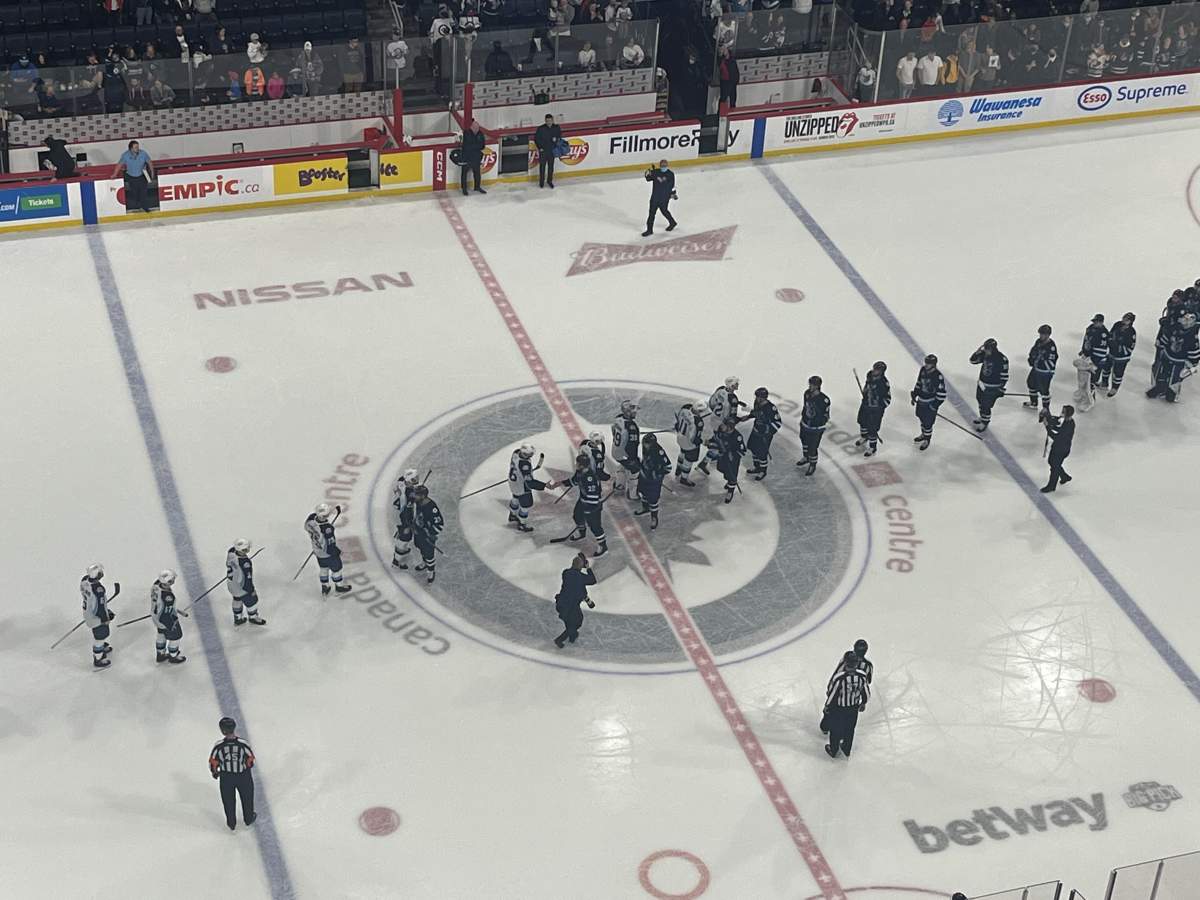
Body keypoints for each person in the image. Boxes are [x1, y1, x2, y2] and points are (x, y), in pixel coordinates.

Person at [553, 454, 609, 557]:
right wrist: (559, 483)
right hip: (583, 501)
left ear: (582, 465)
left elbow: (593, 496)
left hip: (593, 505)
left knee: (595, 526)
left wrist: (589, 510)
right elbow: (574, 481)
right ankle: (582, 533)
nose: (576, 464)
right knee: (577, 516)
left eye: (577, 463)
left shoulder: (589, 478)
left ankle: (603, 546)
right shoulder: (580, 472)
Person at [209, 716, 256, 831]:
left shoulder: (219, 746)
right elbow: (250, 759)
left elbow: (213, 762)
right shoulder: (243, 744)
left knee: (228, 800)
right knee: (247, 797)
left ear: (222, 730)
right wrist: (247, 767)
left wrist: (215, 773)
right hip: (243, 776)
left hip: (226, 778)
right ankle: (248, 818)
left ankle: (231, 822)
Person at [824, 653, 870, 759]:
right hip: (853, 708)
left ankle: (833, 749)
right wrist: (863, 703)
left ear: (846, 663)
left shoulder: (840, 677)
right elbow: (866, 693)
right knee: (850, 729)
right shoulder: (862, 675)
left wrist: (827, 706)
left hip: (839, 708)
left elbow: (832, 693)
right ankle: (846, 749)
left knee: (835, 729)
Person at [1146, 312, 1199, 402]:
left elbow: (1194, 353)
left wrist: (1191, 365)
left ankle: (1172, 393)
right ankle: (1159, 388)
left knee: (1175, 378)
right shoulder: (1174, 328)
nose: (1185, 322)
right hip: (1167, 356)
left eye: (1188, 320)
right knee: (1160, 373)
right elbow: (1166, 337)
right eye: (1185, 319)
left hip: (1179, 362)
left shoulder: (1193, 338)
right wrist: (1161, 346)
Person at [305, 502, 350, 595]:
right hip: (328, 553)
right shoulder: (328, 529)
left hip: (318, 552)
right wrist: (337, 552)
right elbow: (330, 544)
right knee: (336, 569)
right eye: (326, 514)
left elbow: (312, 516)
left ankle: (325, 586)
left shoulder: (310, 522)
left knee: (323, 569)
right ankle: (339, 586)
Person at [553, 552, 596, 648]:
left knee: (569, 623)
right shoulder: (580, 578)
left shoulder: (566, 573)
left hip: (561, 603)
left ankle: (572, 636)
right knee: (577, 621)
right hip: (570, 607)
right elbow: (592, 580)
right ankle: (559, 639)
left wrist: (581, 564)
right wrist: (588, 568)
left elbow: (580, 589)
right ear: (581, 567)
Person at [81, 563, 117, 669]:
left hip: (88, 611)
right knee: (100, 636)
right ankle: (98, 658)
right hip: (96, 617)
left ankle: (101, 648)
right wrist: (105, 618)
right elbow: (100, 607)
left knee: (99, 634)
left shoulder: (84, 581)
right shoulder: (98, 590)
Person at [969, 338, 1009, 432]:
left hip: (992, 387)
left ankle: (985, 422)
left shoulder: (1002, 359)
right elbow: (973, 361)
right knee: (980, 400)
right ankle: (983, 417)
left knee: (986, 405)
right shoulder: (985, 355)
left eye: (987, 349)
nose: (985, 350)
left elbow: (1004, 376)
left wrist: (1000, 389)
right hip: (982, 384)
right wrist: (977, 352)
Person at [635, 433, 671, 529]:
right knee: (642, 492)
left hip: (654, 480)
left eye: (647, 443)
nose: (645, 445)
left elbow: (668, 467)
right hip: (644, 475)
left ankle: (654, 518)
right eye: (644, 443)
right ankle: (645, 508)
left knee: (653, 499)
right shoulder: (645, 448)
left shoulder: (659, 452)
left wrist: (657, 473)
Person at [508, 443, 547, 532]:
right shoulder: (525, 464)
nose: (531, 456)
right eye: (530, 454)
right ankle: (522, 524)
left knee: (515, 497)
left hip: (513, 482)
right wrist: (544, 485)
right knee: (526, 505)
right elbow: (530, 483)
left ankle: (513, 515)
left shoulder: (516, 452)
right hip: (522, 486)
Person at [150, 569, 187, 664]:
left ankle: (160, 654)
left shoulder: (156, 585)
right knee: (176, 636)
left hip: (157, 618)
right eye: (172, 579)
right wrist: (173, 621)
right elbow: (168, 610)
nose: (174, 580)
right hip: (166, 619)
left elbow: (159, 605)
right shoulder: (167, 597)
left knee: (161, 634)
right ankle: (173, 656)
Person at [226, 538, 265, 626]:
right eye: (245, 550)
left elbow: (232, 549)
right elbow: (248, 579)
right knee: (252, 601)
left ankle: (238, 618)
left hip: (232, 585)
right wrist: (251, 590)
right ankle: (253, 617)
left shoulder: (231, 553)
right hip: (242, 587)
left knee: (237, 599)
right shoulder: (245, 563)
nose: (247, 551)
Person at [911, 354, 946, 450]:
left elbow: (942, 394)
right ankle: (923, 434)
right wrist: (915, 394)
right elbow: (919, 383)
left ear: (933, 364)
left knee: (928, 423)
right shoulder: (923, 370)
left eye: (928, 363)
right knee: (921, 418)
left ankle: (927, 439)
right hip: (921, 401)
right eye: (926, 362)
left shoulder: (938, 376)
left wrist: (935, 405)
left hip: (930, 403)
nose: (926, 365)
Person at [746, 388, 781, 480]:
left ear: (763, 398)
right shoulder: (757, 403)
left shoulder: (771, 408)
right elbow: (756, 413)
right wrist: (749, 416)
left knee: (762, 453)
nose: (757, 398)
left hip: (765, 435)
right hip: (755, 431)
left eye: (758, 397)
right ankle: (757, 467)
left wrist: (768, 432)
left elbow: (778, 423)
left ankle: (763, 471)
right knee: (753, 448)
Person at [111, 139, 155, 214]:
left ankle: (145, 207)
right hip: (131, 176)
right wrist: (114, 174)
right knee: (135, 193)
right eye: (135, 147)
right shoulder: (125, 155)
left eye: (138, 147)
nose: (137, 149)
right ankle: (137, 204)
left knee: (143, 192)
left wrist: (152, 172)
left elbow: (149, 162)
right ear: (131, 149)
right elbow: (119, 165)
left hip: (141, 175)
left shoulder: (143, 153)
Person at [797, 376, 830, 475]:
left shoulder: (824, 400)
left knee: (813, 447)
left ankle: (812, 464)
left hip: (816, 428)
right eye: (810, 384)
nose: (810, 386)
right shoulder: (807, 394)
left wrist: (818, 422)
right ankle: (806, 457)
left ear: (817, 386)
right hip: (805, 424)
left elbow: (826, 415)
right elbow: (805, 407)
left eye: (812, 385)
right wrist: (803, 419)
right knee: (804, 441)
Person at [856, 361, 890, 456]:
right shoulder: (870, 376)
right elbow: (867, 387)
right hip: (866, 405)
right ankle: (864, 436)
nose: (875, 371)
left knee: (872, 428)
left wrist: (879, 407)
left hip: (876, 409)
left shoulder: (883, 383)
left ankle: (872, 447)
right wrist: (865, 393)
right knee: (862, 421)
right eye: (875, 368)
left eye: (877, 370)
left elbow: (887, 399)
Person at [709, 417, 746, 504]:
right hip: (723, 456)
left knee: (732, 475)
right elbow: (716, 438)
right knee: (720, 468)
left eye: (724, 425)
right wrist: (710, 442)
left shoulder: (737, 437)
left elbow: (742, 450)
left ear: (730, 427)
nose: (721, 426)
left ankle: (730, 491)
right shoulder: (721, 431)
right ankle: (729, 482)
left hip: (732, 460)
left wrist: (733, 455)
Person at [1024, 324, 1058, 419]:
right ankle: (1034, 402)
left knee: (1044, 390)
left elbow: (1051, 361)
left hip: (1045, 372)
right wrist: (1031, 359)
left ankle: (1045, 409)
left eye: (1043, 334)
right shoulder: (1038, 342)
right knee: (1030, 383)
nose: (1041, 336)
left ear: (1048, 335)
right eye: (1040, 334)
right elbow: (1033, 351)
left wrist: (1040, 364)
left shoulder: (1051, 347)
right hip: (1036, 369)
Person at [411, 486, 444, 584]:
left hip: (428, 535)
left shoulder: (432, 507)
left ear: (423, 496)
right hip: (419, 531)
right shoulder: (418, 501)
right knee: (420, 547)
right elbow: (411, 497)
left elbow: (440, 524)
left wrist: (431, 534)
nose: (415, 496)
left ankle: (431, 571)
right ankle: (424, 562)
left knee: (429, 554)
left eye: (417, 494)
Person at [1040, 405, 1075, 493]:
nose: (1061, 413)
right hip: (1060, 447)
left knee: (1054, 467)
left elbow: (1056, 437)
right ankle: (1064, 476)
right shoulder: (1068, 422)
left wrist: (1047, 426)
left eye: (1063, 411)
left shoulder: (1068, 426)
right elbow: (1059, 429)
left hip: (1060, 450)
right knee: (1053, 463)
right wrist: (1051, 425)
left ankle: (1051, 486)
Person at [611, 399, 640, 499]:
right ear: (627, 411)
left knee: (622, 465)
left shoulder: (618, 419)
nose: (635, 413)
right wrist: (634, 460)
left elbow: (613, 430)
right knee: (635, 470)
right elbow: (632, 446)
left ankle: (620, 486)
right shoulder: (632, 427)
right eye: (633, 411)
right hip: (624, 453)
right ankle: (632, 494)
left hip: (615, 451)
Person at [391, 469, 421, 567]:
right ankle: (397, 561)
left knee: (404, 537)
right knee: (405, 538)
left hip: (402, 514)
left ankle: (398, 559)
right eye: (414, 480)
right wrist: (408, 523)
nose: (416, 481)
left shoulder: (402, 483)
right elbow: (405, 507)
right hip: (403, 517)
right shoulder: (406, 493)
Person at [674, 399, 707, 486]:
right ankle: (684, 478)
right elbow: (696, 437)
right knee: (689, 460)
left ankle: (678, 469)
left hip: (680, 438)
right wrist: (699, 442)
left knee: (682, 453)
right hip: (689, 443)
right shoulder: (699, 422)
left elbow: (677, 425)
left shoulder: (684, 410)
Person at [1103, 312, 1137, 396]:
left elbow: (1130, 346)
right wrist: (1110, 342)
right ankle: (1104, 383)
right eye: (1124, 317)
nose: (1124, 320)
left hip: (1122, 357)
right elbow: (1110, 334)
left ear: (1131, 321)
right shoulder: (1117, 325)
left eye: (1127, 319)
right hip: (1111, 353)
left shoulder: (1131, 332)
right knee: (1106, 368)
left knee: (1118, 373)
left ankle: (1114, 388)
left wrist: (1119, 348)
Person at [642, 159, 677, 237]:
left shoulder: (670, 174)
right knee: (651, 214)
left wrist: (673, 194)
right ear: (660, 166)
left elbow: (672, 185)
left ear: (667, 166)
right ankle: (649, 230)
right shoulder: (656, 172)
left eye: (664, 166)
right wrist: (647, 174)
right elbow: (648, 179)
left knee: (664, 211)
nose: (663, 167)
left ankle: (672, 222)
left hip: (664, 198)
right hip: (655, 198)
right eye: (662, 166)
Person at [1081, 314, 1109, 390]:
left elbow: (1102, 348)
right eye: (1094, 321)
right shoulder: (1089, 328)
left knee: (1094, 376)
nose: (1095, 323)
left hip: (1098, 358)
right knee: (1086, 373)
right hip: (1088, 355)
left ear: (1102, 322)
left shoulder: (1104, 333)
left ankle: (1091, 392)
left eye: (1097, 321)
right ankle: (1086, 387)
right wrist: (1083, 350)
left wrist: (1093, 357)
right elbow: (1086, 340)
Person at [533, 113, 562, 189]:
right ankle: (541, 182)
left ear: (552, 120)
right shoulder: (540, 128)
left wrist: (556, 139)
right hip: (543, 151)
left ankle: (549, 181)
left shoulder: (556, 127)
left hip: (552, 151)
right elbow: (536, 139)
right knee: (542, 167)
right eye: (547, 121)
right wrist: (540, 148)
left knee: (551, 167)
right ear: (545, 121)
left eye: (550, 120)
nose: (548, 122)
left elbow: (559, 136)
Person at [460, 120, 487, 196]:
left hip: (476, 157)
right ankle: (464, 189)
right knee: (464, 173)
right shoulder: (467, 133)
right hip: (467, 157)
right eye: (476, 127)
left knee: (477, 173)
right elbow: (467, 146)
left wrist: (475, 146)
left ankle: (477, 187)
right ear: (472, 127)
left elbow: (482, 146)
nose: (477, 129)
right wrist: (476, 146)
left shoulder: (480, 134)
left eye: (478, 127)